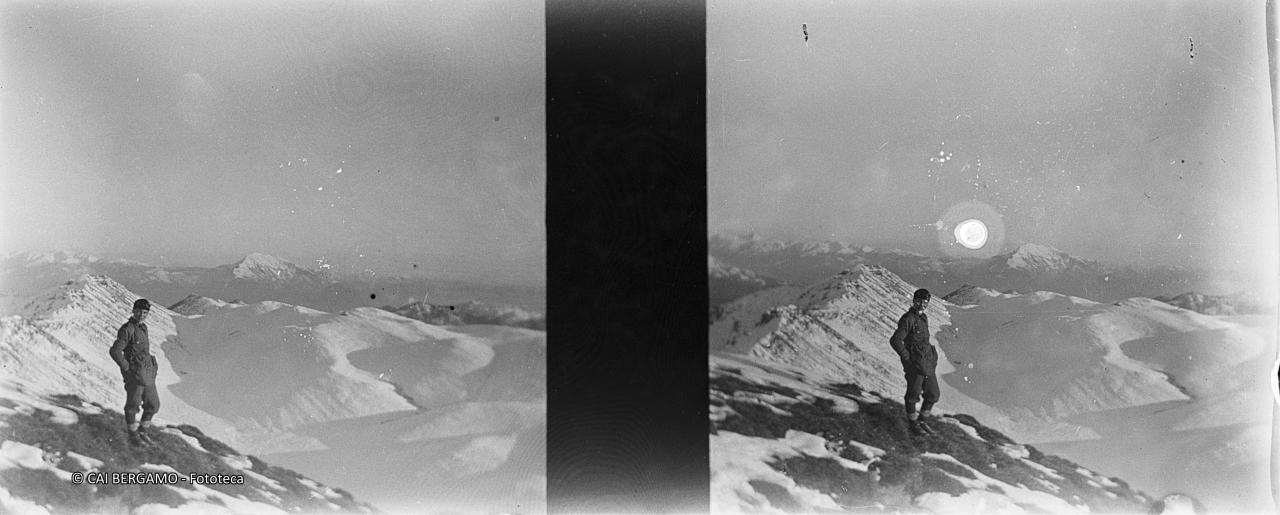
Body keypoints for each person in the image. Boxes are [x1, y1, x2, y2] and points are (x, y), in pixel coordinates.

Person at [109, 298, 160, 446]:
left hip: (147, 374)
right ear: (133, 311)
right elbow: (115, 351)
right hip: (134, 375)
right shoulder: (127, 329)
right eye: (138, 311)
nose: (141, 315)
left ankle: (143, 432)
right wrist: (127, 368)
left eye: (145, 313)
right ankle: (133, 436)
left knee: (153, 404)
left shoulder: (143, 328)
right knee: (133, 405)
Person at [889, 288, 939, 436]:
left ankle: (922, 422)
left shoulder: (924, 318)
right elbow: (896, 340)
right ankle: (913, 424)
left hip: (927, 363)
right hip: (914, 365)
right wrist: (907, 359)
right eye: (919, 301)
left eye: (925, 302)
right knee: (913, 395)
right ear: (914, 301)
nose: (922, 304)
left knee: (933, 394)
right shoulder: (908, 319)